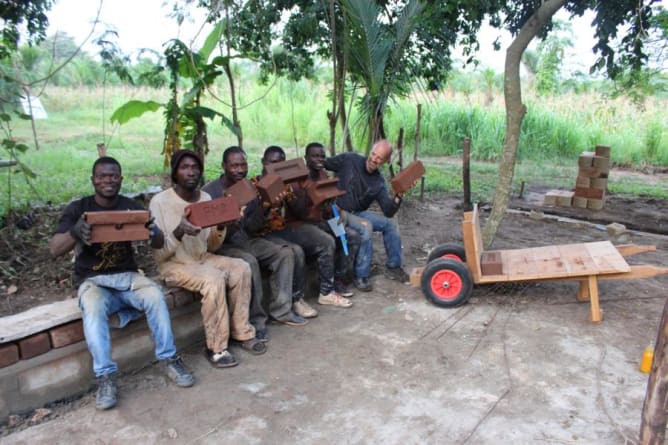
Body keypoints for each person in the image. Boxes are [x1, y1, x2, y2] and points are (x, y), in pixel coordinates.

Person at [49, 156, 194, 411]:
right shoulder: (78, 208)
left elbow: (158, 243)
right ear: (93, 179)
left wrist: (154, 231)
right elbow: (54, 250)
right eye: (102, 176)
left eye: (113, 176)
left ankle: (169, 359)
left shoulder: (130, 207)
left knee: (155, 296)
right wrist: (75, 232)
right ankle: (105, 377)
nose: (108, 180)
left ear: (121, 179)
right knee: (92, 309)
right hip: (93, 281)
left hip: (128, 278)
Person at [149, 149, 266, 370]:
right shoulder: (160, 202)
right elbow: (159, 253)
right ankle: (216, 347)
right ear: (175, 172)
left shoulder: (205, 198)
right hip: (175, 265)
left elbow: (211, 245)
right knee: (213, 278)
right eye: (184, 167)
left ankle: (242, 331)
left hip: (203, 258)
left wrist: (221, 225)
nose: (190, 172)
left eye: (195, 167)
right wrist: (180, 231)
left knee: (241, 267)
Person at [202, 146, 307, 332]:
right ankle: (256, 321)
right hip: (221, 246)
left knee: (285, 253)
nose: (240, 170)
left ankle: (281, 311)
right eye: (234, 166)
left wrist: (265, 207)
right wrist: (229, 221)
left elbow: (251, 227)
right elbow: (208, 236)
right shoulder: (210, 192)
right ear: (223, 166)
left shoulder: (248, 188)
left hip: (246, 239)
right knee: (249, 262)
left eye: (243, 165)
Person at [252, 146, 352, 309]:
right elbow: (252, 223)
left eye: (281, 163)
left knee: (342, 232)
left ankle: (334, 285)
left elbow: (300, 210)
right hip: (268, 233)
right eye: (272, 162)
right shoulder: (255, 185)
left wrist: (305, 191)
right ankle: (318, 294)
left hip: (284, 229)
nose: (276, 167)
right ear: (263, 162)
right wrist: (266, 205)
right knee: (319, 243)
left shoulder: (287, 184)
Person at [324, 139, 410, 291]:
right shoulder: (350, 159)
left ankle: (393, 266)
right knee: (366, 227)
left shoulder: (378, 181)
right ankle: (361, 275)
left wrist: (398, 197)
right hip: (338, 213)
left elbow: (388, 211)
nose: (374, 159)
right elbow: (324, 163)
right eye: (373, 154)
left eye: (379, 158)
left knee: (390, 224)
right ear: (370, 151)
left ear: (385, 161)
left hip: (357, 214)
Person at [287, 142, 361, 297]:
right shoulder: (296, 179)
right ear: (306, 158)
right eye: (314, 156)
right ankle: (326, 292)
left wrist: (335, 210)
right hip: (299, 225)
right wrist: (312, 196)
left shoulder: (323, 175)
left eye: (322, 156)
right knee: (327, 241)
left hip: (319, 221)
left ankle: (339, 281)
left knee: (351, 236)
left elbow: (328, 204)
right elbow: (299, 212)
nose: (319, 159)